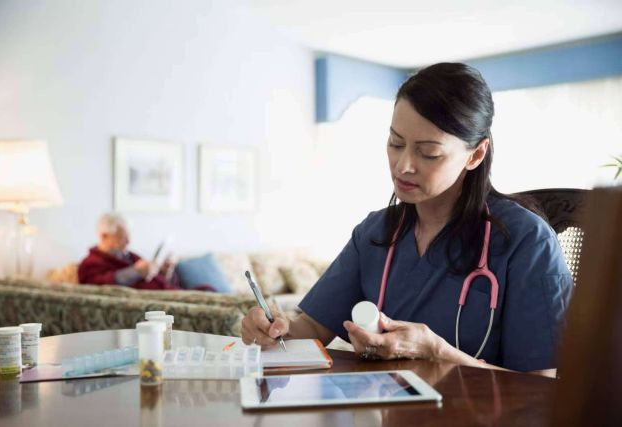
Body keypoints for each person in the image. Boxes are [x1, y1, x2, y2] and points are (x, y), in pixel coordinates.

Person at [240, 63, 573, 377]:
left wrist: (436, 352)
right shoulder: (374, 233)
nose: (403, 166)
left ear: (475, 154)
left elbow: (541, 386)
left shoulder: (527, 241)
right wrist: (273, 327)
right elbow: (313, 328)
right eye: (395, 143)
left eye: (428, 153)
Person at [78, 212, 180, 290]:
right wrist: (136, 272)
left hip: (172, 291)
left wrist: (165, 271)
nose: (128, 242)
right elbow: (98, 286)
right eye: (122, 238)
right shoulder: (91, 263)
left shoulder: (130, 256)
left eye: (128, 236)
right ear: (104, 236)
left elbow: (159, 280)